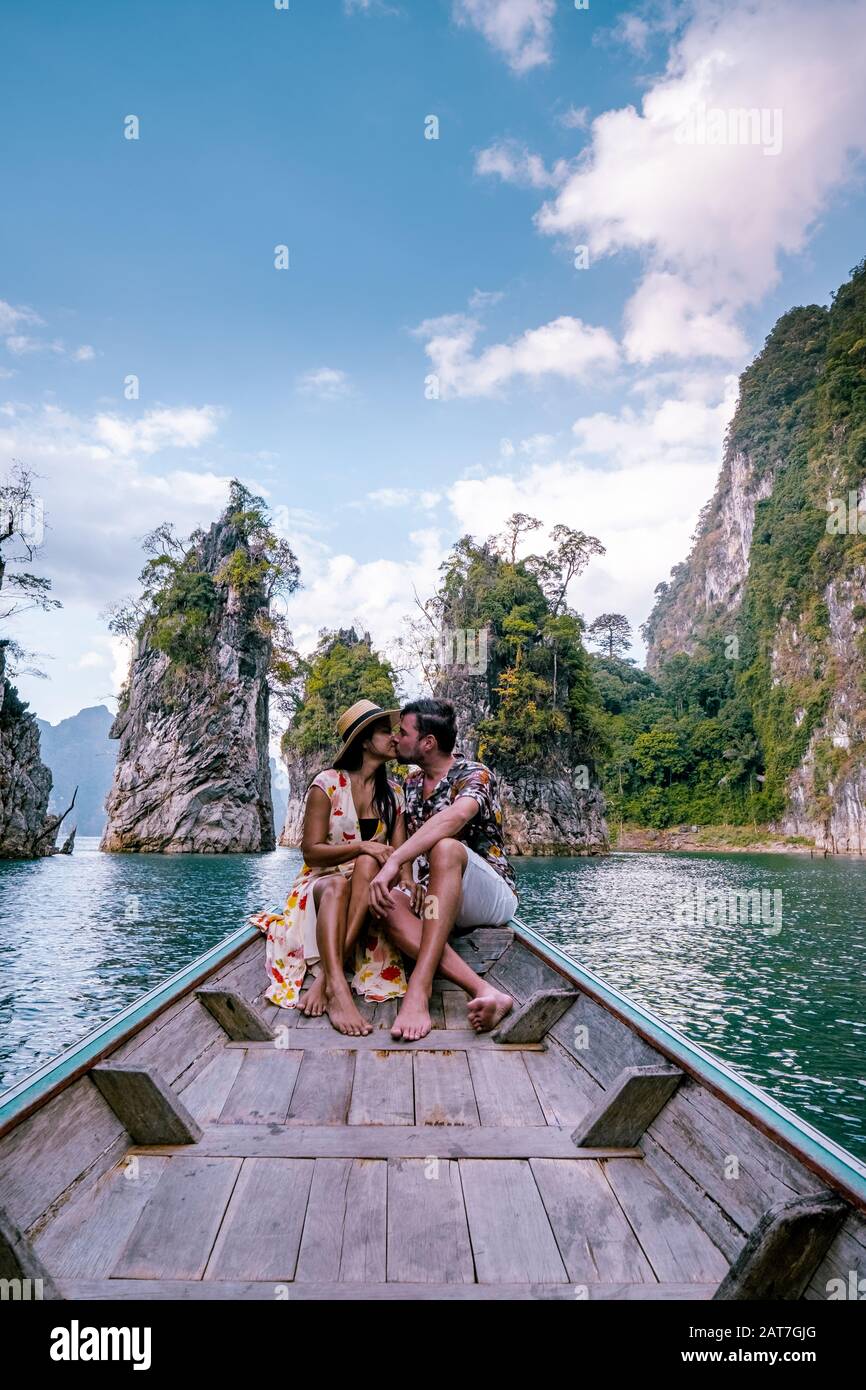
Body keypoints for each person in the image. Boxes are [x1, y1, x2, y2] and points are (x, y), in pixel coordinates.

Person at [250, 700, 412, 1036]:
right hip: (322, 883)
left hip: (368, 886)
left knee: (368, 864)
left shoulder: (394, 794)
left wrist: (408, 881)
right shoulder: (327, 784)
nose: (395, 737)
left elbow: (398, 855)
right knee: (344, 879)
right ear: (364, 741)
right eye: (386, 731)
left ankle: (326, 978)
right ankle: (338, 987)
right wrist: (363, 845)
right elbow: (312, 853)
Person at [368, 698, 517, 1041]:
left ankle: (419, 990)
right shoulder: (410, 784)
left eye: (403, 733)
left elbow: (457, 817)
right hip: (436, 901)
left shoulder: (474, 774)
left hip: (488, 894)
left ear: (428, 742)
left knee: (446, 848)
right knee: (388, 901)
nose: (396, 738)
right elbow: (402, 841)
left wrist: (392, 860)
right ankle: (485, 990)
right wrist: (404, 877)